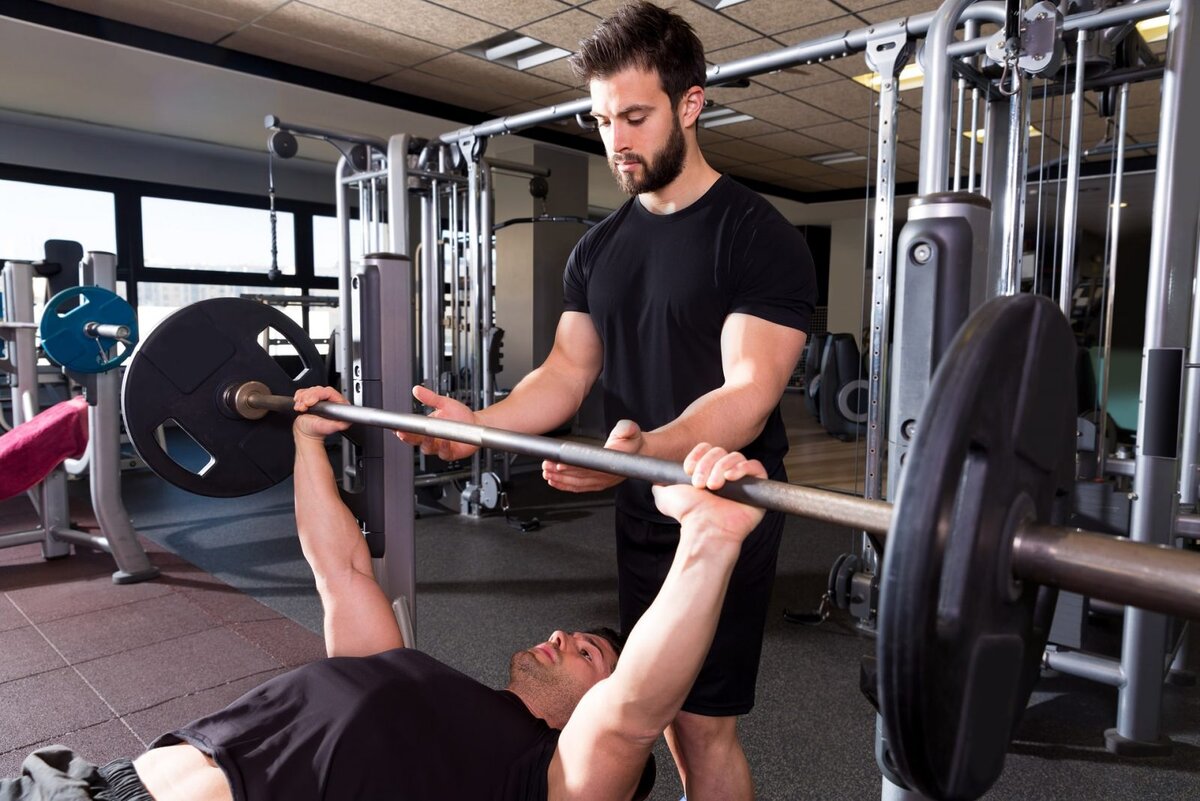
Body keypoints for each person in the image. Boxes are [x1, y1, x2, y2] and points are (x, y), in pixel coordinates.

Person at [398, 2, 816, 797]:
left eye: (634, 117)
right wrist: (479, 426)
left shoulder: (757, 235)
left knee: (700, 723)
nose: (616, 141)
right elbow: (565, 369)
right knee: (655, 703)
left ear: (690, 104)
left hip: (725, 501)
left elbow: (748, 395)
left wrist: (639, 454)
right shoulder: (600, 248)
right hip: (642, 505)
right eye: (601, 120)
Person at [1, 385, 771, 801]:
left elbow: (634, 714)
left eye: (590, 652)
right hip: (96, 778)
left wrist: (710, 538)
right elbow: (340, 568)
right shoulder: (408, 675)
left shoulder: (543, 777)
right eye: (578, 632)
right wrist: (307, 444)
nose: (565, 636)